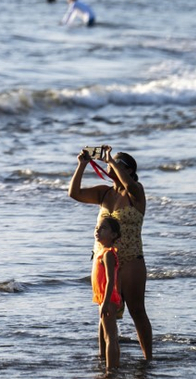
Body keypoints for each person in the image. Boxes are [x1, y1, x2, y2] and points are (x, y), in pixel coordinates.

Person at [68, 146, 153, 360]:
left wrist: (112, 162)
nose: (108, 164)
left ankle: (148, 360)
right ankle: (104, 360)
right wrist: (82, 165)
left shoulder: (136, 192)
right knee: (105, 314)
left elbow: (129, 184)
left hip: (131, 260)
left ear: (129, 171)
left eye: (115, 163)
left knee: (137, 311)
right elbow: (74, 193)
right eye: (108, 162)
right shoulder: (104, 192)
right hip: (105, 261)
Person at [93, 216, 123, 371]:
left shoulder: (108, 254)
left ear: (113, 235)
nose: (98, 230)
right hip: (105, 299)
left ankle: (111, 369)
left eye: (103, 228)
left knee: (110, 336)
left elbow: (111, 280)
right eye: (97, 228)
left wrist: (106, 302)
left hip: (108, 299)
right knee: (106, 334)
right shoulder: (102, 252)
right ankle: (106, 362)